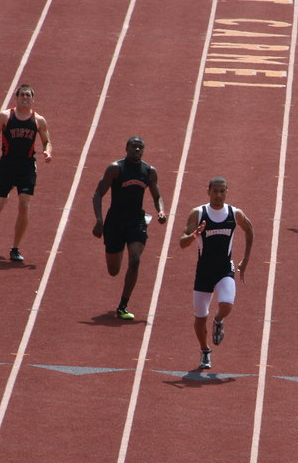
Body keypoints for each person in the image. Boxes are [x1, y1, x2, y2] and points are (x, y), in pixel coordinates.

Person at [179, 177, 254, 370]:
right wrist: (195, 234)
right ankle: (205, 351)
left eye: (222, 191)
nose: (218, 195)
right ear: (208, 191)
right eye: (215, 191)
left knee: (227, 304)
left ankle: (218, 320)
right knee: (199, 318)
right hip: (203, 271)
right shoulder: (198, 213)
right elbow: (182, 242)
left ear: (227, 191)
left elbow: (249, 229)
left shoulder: (234, 213)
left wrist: (245, 259)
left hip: (224, 269)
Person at [92, 136, 167, 320]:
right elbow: (97, 194)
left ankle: (123, 305)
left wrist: (161, 211)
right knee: (114, 271)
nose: (137, 150)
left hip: (136, 221)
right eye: (134, 147)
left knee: (135, 260)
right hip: (115, 222)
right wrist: (99, 220)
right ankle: (116, 250)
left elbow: (157, 196)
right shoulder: (115, 169)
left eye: (141, 148)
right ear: (126, 148)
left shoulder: (149, 171)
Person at [0, 84, 53, 262]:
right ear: (16, 97)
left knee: (24, 205)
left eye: (28, 95)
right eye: (22, 94)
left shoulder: (39, 120)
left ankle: (15, 248)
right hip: (7, 165)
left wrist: (47, 151)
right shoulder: (5, 116)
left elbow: (47, 141)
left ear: (33, 99)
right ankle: (6, 192)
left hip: (27, 166)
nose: (25, 97)